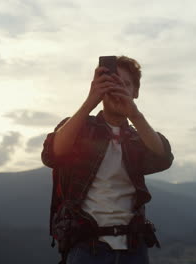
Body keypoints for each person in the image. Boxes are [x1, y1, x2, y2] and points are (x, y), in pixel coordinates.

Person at [41, 56, 174, 264]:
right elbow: (52, 154)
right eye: (111, 83)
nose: (118, 90)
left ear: (135, 93)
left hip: (134, 248)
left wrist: (135, 115)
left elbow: (163, 157)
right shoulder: (80, 128)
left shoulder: (139, 137)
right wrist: (89, 102)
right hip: (86, 247)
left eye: (125, 84)